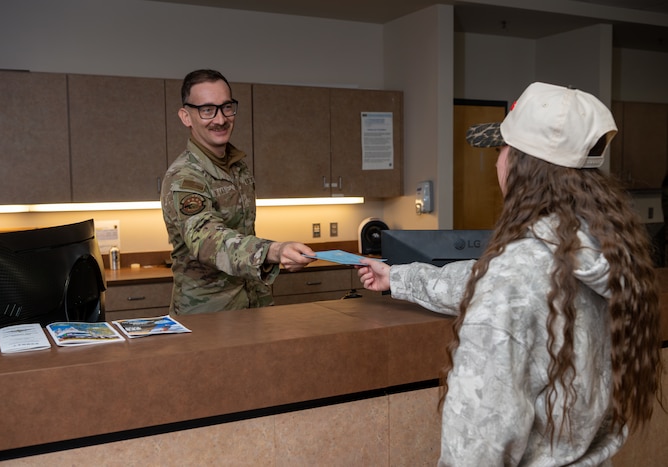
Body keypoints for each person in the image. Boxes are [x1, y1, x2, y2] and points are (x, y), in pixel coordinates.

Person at [358, 82, 664, 465]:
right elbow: (487, 281)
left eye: (502, 149)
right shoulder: (604, 252)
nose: (497, 161)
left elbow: (477, 445)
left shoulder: (514, 277)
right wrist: (398, 277)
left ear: (522, 164)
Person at [161, 69, 316, 315]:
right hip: (208, 316)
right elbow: (208, 240)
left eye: (227, 107)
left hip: (252, 305)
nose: (220, 119)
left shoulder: (237, 166)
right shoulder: (185, 176)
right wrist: (273, 251)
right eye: (207, 110)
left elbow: (242, 233)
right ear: (186, 116)